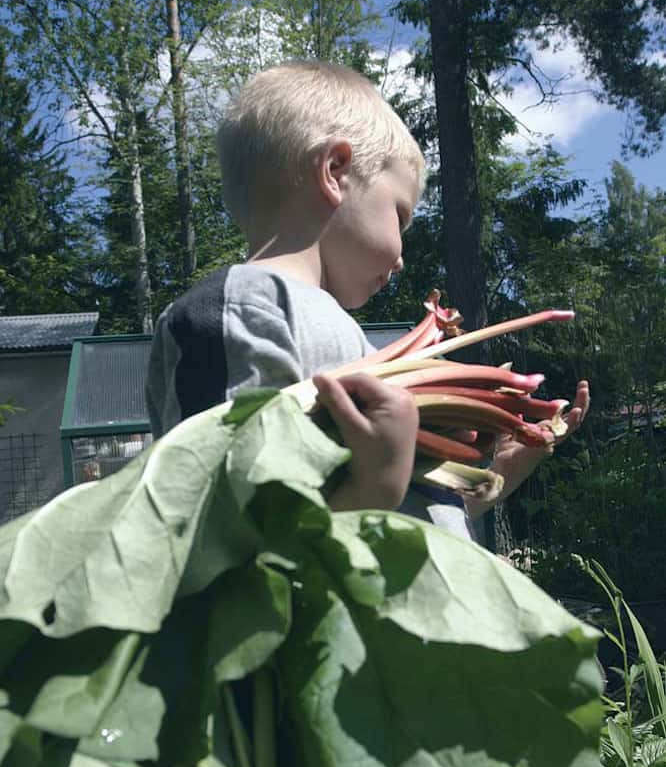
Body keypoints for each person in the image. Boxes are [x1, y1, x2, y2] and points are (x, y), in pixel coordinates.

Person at [146, 59, 588, 534]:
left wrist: (500, 474)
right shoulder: (242, 310)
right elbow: (230, 535)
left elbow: (407, 521)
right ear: (335, 171)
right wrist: (371, 491)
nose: (401, 259)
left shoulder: (344, 341)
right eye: (400, 216)